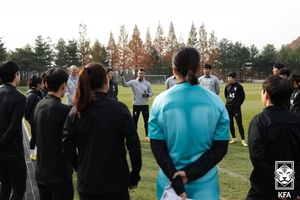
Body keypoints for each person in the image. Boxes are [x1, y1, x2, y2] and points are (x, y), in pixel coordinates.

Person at [148, 46, 229, 200]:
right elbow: (220, 148)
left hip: (169, 188)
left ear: (174, 70)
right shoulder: (216, 103)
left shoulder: (159, 102)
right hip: (205, 189)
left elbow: (158, 149)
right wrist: (189, 174)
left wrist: (177, 182)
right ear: (199, 68)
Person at [62, 62, 142, 200]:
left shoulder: (76, 111)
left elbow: (67, 145)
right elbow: (134, 145)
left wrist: (80, 167)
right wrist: (134, 175)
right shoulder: (119, 110)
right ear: (106, 80)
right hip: (115, 182)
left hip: (88, 182)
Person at [246, 75, 300, 200]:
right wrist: (289, 188)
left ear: (266, 94)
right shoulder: (295, 121)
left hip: (264, 188)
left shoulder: (259, 121)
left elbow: (257, 158)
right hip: (287, 183)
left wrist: (277, 188)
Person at [34, 68, 74, 200]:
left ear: (46, 84)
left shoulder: (39, 105)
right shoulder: (63, 111)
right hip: (58, 174)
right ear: (64, 85)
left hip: (41, 171)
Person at [0, 61, 27, 200]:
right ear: (16, 74)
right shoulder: (19, 98)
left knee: (5, 186)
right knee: (19, 188)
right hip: (13, 151)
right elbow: (14, 126)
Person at [119, 68, 153, 141]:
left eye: (142, 73)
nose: (140, 75)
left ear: (144, 74)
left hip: (145, 104)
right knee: (134, 121)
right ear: (137, 74)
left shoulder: (147, 83)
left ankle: (148, 136)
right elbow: (125, 84)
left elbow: (151, 93)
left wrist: (147, 95)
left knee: (146, 121)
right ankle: (134, 136)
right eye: (139, 73)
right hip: (136, 104)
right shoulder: (133, 82)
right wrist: (122, 77)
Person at [224, 72, 248, 147]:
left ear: (234, 78)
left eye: (230, 78)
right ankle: (234, 138)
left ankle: (243, 140)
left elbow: (243, 96)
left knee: (239, 123)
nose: (228, 79)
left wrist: (238, 104)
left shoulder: (239, 86)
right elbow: (226, 96)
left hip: (236, 108)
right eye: (228, 78)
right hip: (228, 107)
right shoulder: (227, 86)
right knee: (230, 123)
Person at [24, 75, 44, 161]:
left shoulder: (40, 93)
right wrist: (29, 118)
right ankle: (32, 154)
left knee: (39, 136)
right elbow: (27, 108)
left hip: (39, 119)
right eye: (42, 83)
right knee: (34, 136)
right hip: (33, 120)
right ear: (38, 84)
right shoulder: (32, 95)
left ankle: (39, 152)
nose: (43, 85)